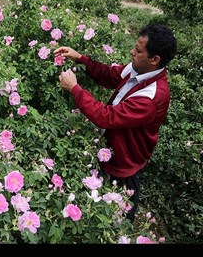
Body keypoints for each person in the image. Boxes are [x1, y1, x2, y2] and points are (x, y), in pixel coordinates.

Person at [54, 23, 177, 222]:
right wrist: (81, 58)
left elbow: (106, 117)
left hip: (124, 161)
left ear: (155, 60)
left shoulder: (152, 97)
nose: (132, 52)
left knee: (118, 217)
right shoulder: (137, 68)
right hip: (108, 148)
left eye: (138, 51)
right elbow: (109, 75)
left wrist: (75, 89)